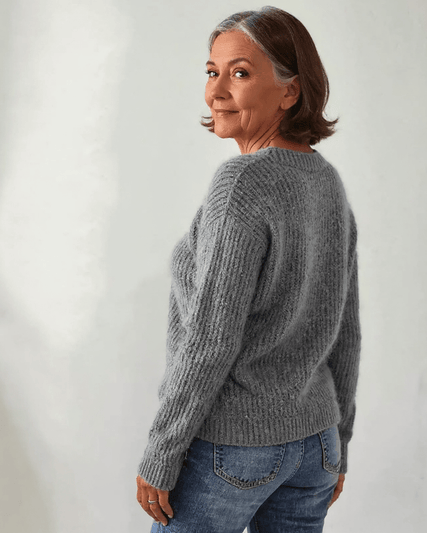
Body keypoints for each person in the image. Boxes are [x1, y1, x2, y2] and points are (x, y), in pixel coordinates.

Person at [135, 6, 361, 532]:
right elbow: (345, 332)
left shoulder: (241, 183)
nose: (215, 92)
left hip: (236, 448)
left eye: (239, 73)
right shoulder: (326, 182)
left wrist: (162, 449)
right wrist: (340, 446)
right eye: (211, 72)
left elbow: (211, 338)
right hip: (316, 445)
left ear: (290, 91)